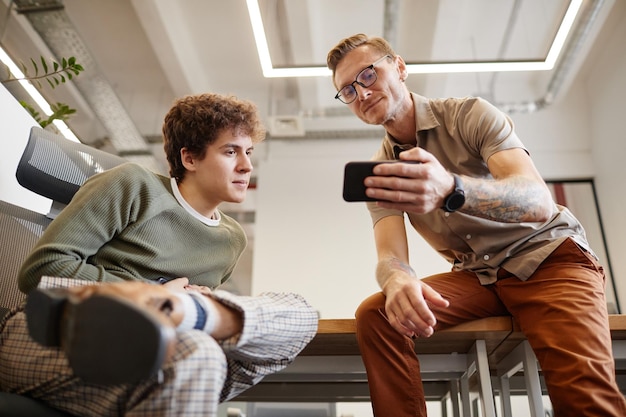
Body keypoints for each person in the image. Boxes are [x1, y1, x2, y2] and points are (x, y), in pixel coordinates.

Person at [327, 33, 626, 416]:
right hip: (480, 276)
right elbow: (390, 256)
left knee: (586, 399)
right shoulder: (381, 171)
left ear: (399, 67)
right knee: (378, 314)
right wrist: (397, 279)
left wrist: (452, 188)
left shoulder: (469, 115)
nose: (362, 93)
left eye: (367, 75)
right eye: (348, 91)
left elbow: (537, 202)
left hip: (548, 259)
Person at [0, 93, 318, 417]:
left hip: (155, 352)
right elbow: (41, 270)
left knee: (301, 315)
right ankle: (169, 309)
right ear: (190, 158)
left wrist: (201, 302)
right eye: (230, 151)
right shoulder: (132, 185)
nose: (247, 165)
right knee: (199, 354)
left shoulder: (232, 239)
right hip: (56, 337)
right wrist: (153, 294)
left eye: (248, 152)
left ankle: (190, 311)